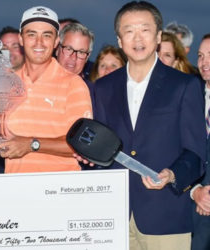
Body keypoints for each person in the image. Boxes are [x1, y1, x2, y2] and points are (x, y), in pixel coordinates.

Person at [92, 2, 205, 249]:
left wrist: (172, 174)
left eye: (145, 29)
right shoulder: (103, 88)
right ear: (120, 40)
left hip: (165, 214)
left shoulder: (184, 85)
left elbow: (196, 153)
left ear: (158, 36)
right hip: (112, 216)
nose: (137, 38)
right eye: (129, 31)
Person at [0, 6, 92, 173]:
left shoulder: (74, 84)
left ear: (56, 42)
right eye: (31, 34)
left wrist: (32, 144)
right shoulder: (6, 84)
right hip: (15, 188)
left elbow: (83, 144)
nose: (39, 43)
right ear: (21, 39)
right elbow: (3, 139)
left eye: (46, 35)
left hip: (60, 190)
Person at [191, 33, 210, 250]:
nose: (204, 62)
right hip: (191, 211)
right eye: (200, 55)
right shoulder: (188, 96)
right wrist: (196, 190)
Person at [55, 22, 95, 92]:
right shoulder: (37, 85)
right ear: (57, 49)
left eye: (81, 52)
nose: (73, 57)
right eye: (69, 49)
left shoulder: (93, 94)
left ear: (87, 57)